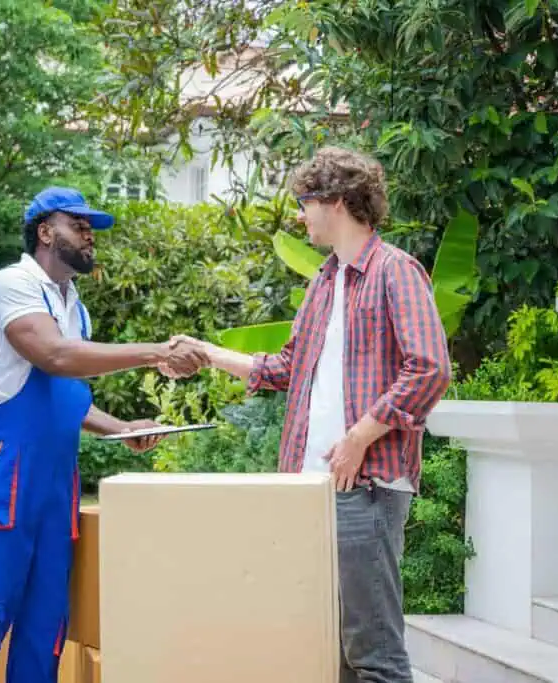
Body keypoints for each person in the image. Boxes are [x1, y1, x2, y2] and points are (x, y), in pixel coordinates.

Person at [171, 147, 452, 683]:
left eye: (305, 201)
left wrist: (359, 438)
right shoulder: (325, 282)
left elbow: (430, 369)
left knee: (374, 654)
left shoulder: (395, 272)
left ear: (339, 201)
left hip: (365, 486)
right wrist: (207, 351)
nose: (299, 215)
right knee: (330, 650)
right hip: (311, 488)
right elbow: (284, 368)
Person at [0, 186, 207, 683]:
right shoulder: (12, 284)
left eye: (91, 229)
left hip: (56, 478)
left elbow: (64, 394)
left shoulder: (71, 300)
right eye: (78, 225)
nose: (89, 236)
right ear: (45, 231)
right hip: (4, 468)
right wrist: (157, 351)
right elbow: (56, 357)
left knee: (46, 622)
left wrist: (120, 427)